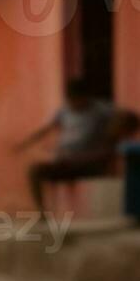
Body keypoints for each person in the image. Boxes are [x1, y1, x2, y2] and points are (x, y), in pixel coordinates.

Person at [15, 79, 126, 216]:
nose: (74, 103)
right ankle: (42, 212)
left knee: (75, 161)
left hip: (88, 162)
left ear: (85, 96)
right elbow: (47, 128)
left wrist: (111, 140)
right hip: (66, 162)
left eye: (77, 99)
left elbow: (128, 118)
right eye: (71, 99)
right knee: (35, 170)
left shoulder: (101, 109)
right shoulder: (64, 111)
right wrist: (24, 144)